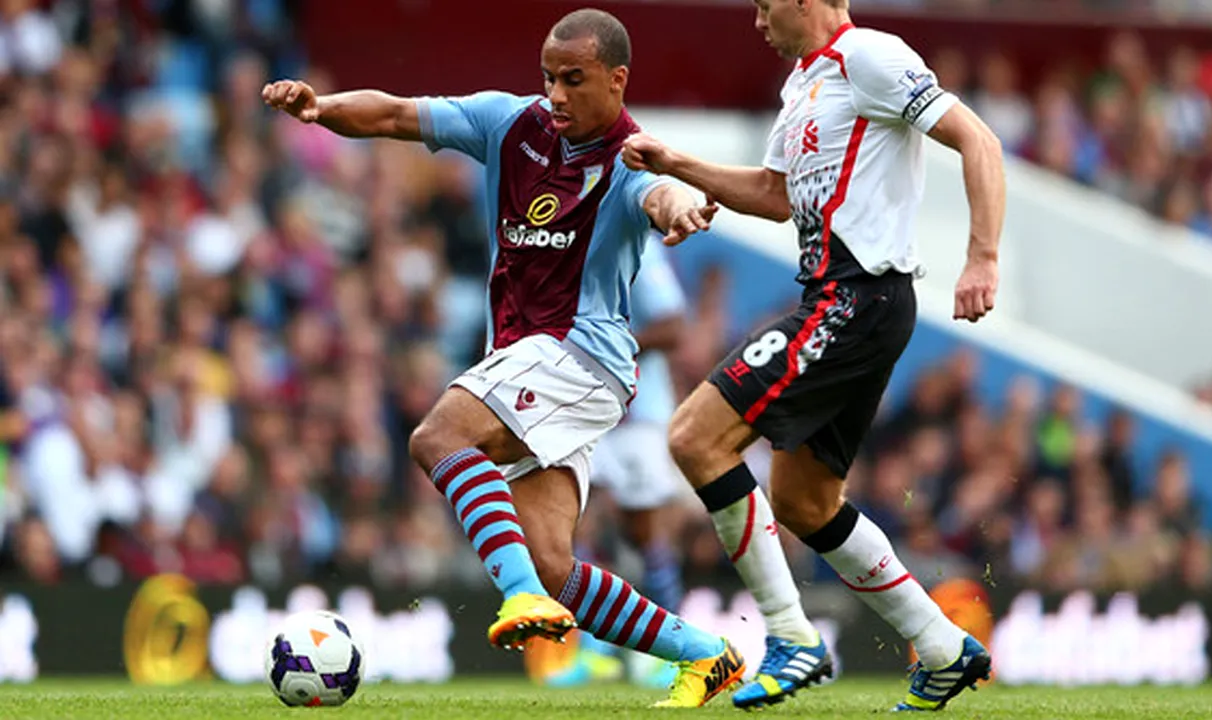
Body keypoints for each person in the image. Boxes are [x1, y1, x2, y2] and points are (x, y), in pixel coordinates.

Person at [263, 8, 744, 708]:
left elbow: (662, 194)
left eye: (573, 80)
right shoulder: (507, 122)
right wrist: (321, 107)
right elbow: (397, 115)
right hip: (533, 362)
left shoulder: (630, 157)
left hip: (576, 356)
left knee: (437, 436)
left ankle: (516, 596)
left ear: (617, 81)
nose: (555, 93)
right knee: (554, 566)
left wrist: (681, 209)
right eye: (548, 77)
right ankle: (707, 652)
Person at [622, 0, 1005, 712]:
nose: (757, 21)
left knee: (694, 436)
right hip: (842, 301)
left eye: (766, 6)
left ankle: (792, 637)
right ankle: (945, 647)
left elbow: (978, 141)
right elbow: (771, 196)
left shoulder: (870, 57)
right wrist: (680, 165)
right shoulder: (802, 84)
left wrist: (981, 256)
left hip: (857, 299)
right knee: (803, 501)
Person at [553, 235, 691, 689]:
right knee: (580, 522)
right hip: (581, 405)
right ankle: (596, 650)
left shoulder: (639, 248)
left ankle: (672, 650)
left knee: (643, 530)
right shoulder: (566, 245)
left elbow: (673, 326)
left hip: (637, 412)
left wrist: (612, 347)